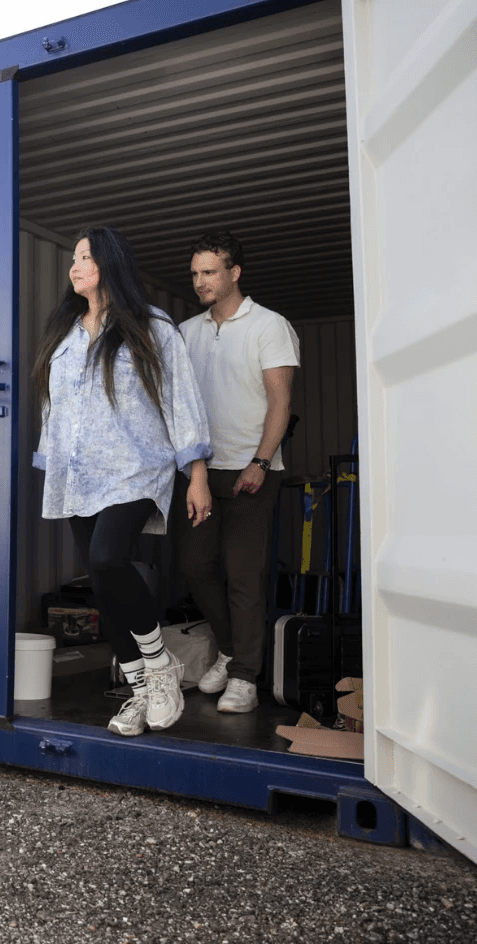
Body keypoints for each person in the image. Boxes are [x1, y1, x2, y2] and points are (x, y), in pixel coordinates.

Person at [34, 227, 214, 737]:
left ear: (111, 264)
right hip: (78, 472)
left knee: (106, 558)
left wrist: (195, 474)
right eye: (73, 258)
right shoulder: (66, 332)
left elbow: (183, 400)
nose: (75, 266)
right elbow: (54, 404)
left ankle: (160, 669)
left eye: (86, 257)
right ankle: (140, 691)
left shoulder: (152, 326)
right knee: (104, 587)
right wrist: (53, 466)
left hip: (136, 468)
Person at [174, 231, 300, 714]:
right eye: (195, 273)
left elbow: (281, 402)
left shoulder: (270, 326)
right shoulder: (187, 331)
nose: (200, 281)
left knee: (243, 574)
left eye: (209, 272)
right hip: (201, 472)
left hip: (253, 471)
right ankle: (230, 651)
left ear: (234, 273)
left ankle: (246, 676)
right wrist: (192, 468)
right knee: (196, 568)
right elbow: (181, 406)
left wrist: (261, 461)